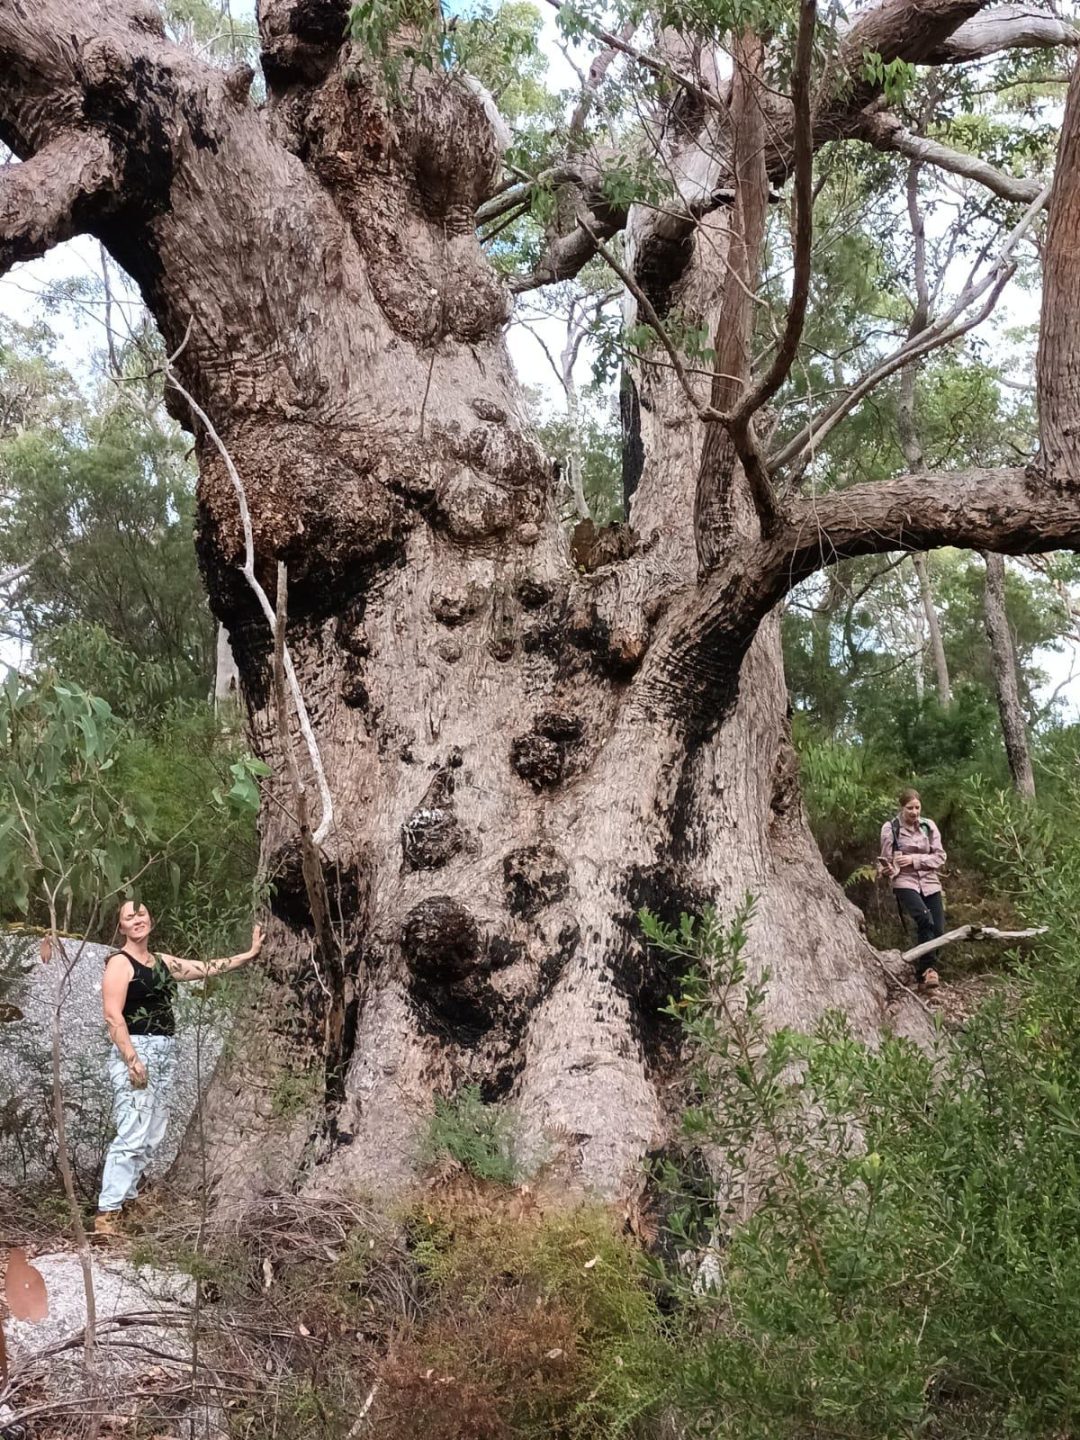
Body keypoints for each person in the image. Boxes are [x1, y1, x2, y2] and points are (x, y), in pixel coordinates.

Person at [95, 899, 263, 1236]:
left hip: (164, 1051)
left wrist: (248, 954)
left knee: (152, 1133)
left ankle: (128, 1202)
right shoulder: (119, 963)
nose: (136, 919)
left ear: (151, 920)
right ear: (122, 927)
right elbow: (113, 1015)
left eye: (141, 913)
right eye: (129, 917)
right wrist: (131, 1059)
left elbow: (204, 967)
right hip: (138, 1050)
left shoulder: (161, 962)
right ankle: (107, 1214)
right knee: (132, 1132)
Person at [878, 788, 947, 989]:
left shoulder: (928, 826)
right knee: (924, 919)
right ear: (902, 808)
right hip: (904, 881)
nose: (914, 812)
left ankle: (924, 973)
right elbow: (886, 863)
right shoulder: (890, 829)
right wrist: (889, 868)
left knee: (939, 929)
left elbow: (940, 856)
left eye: (917, 807)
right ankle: (928, 970)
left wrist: (914, 859)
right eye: (910, 808)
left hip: (930, 882)